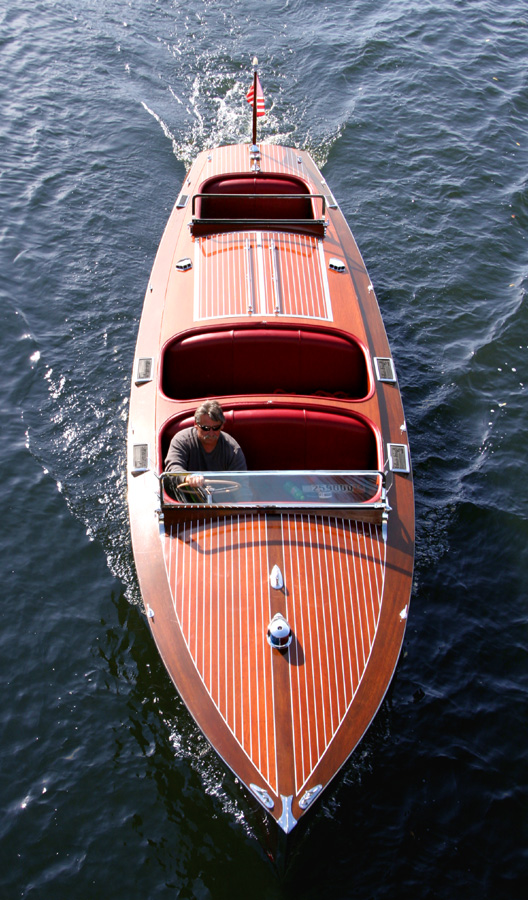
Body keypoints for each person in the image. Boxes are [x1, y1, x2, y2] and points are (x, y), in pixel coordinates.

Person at [164, 400, 246, 487]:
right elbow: (173, 468)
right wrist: (188, 478)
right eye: (205, 428)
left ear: (222, 426)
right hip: (186, 498)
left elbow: (242, 485)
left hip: (221, 498)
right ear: (196, 424)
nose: (211, 433)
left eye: (215, 428)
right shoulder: (182, 440)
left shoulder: (232, 449)